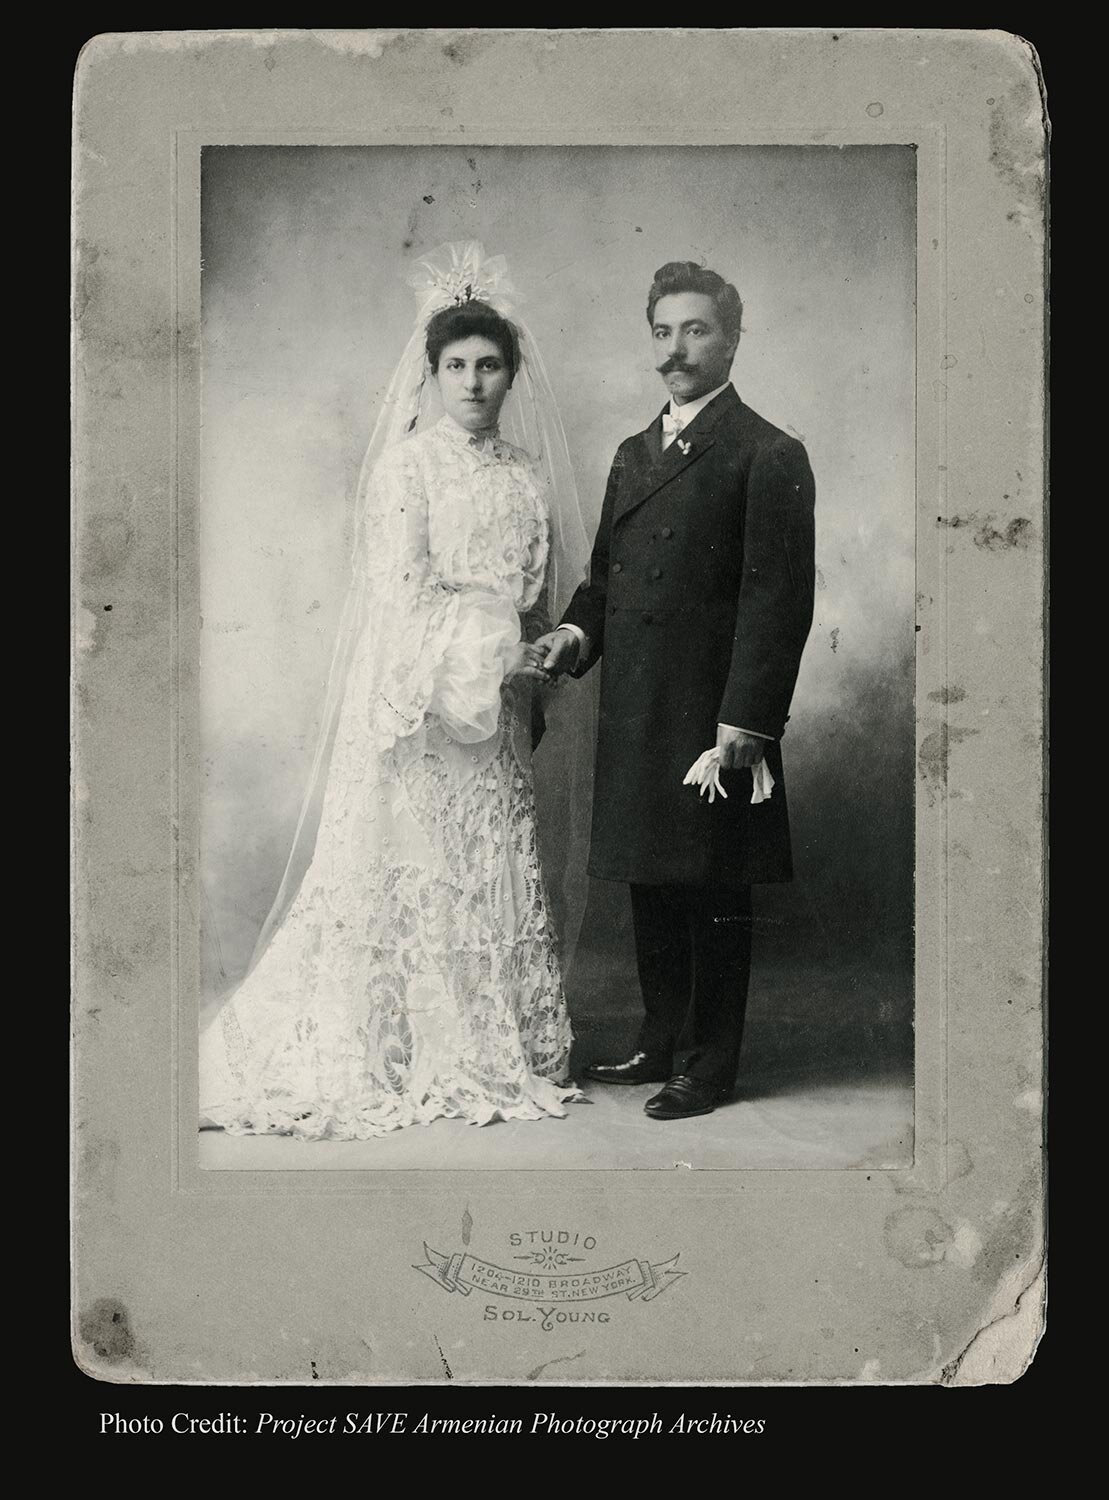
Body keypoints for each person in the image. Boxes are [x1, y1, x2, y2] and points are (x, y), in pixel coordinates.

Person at [200, 243, 589, 1140]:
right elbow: (397, 591)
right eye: (455, 366)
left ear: (511, 374)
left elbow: (532, 591)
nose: (473, 382)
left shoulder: (528, 473)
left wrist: (522, 663)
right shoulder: (408, 466)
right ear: (432, 375)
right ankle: (397, 1046)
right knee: (416, 869)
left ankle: (492, 1041)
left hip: (494, 708)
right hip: (425, 699)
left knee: (483, 871)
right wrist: (466, 665)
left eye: (489, 366)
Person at [537, 260, 816, 1122]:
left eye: (695, 330)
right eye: (663, 331)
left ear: (731, 338)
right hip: (638, 709)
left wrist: (748, 720)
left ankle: (709, 1062)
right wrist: (574, 635)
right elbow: (605, 586)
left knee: (709, 886)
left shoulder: (767, 452)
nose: (676, 349)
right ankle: (661, 1036)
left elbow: (780, 601)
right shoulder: (633, 453)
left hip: (710, 718)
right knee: (651, 882)